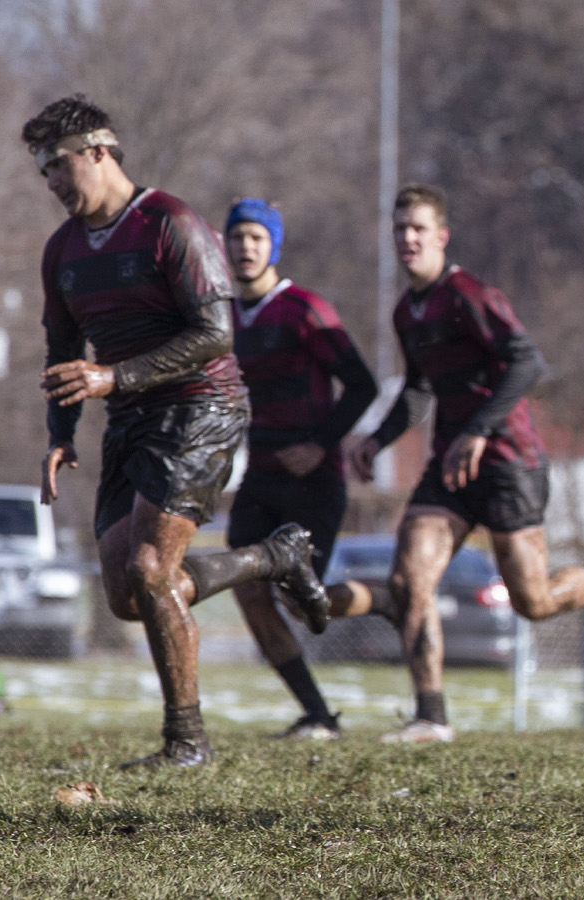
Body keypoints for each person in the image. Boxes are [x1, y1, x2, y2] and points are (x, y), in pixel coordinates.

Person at [27, 95, 328, 768]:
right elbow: (61, 350)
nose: (50, 182)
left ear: (99, 153)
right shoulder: (63, 251)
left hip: (203, 405)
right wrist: (60, 433)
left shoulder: (172, 223)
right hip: (132, 417)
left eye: (56, 165)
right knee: (129, 593)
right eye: (41, 171)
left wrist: (114, 378)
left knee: (150, 567)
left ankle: (187, 742)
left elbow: (216, 334)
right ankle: (274, 558)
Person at [322, 185, 584, 744]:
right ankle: (431, 716)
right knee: (410, 582)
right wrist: (377, 439)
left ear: (441, 236)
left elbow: (527, 362)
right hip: (449, 467)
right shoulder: (406, 311)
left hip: (509, 462)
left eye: (417, 228)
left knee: (533, 601)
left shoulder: (468, 294)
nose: (407, 238)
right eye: (399, 228)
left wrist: (479, 430)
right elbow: (416, 391)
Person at [221, 198, 378, 740]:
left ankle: (386, 597)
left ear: (274, 247)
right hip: (259, 478)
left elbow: (364, 384)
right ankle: (316, 714)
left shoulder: (305, 309)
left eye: (257, 238)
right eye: (238, 237)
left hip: (313, 480)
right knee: (249, 591)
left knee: (300, 597)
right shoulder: (222, 317)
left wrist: (320, 445)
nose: (246, 247)